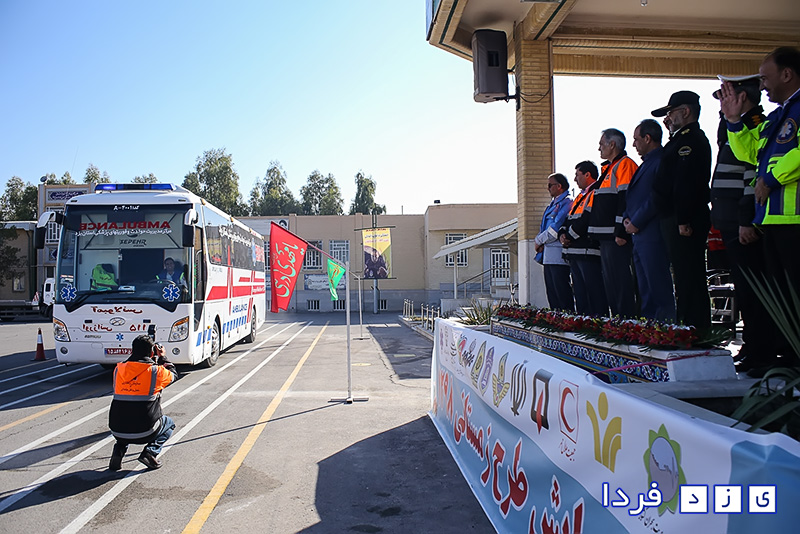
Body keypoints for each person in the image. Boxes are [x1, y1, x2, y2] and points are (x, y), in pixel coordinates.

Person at [720, 46, 800, 373]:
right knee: (783, 296)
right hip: (774, 218)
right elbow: (750, 153)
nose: (762, 85)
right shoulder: (780, 115)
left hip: (795, 219)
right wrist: (734, 120)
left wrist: (772, 178)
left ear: (787, 74)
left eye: (766, 78)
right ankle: (790, 358)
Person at [651, 91, 713, 330]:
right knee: (683, 276)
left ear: (686, 112)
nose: (667, 119)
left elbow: (686, 183)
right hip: (674, 217)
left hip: (684, 218)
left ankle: (695, 329)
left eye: (671, 113)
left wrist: (684, 219)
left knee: (690, 276)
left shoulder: (691, 141)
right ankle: (687, 326)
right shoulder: (678, 140)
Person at [623, 119, 676, 321]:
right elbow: (634, 197)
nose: (634, 144)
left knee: (657, 285)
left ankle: (664, 326)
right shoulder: (646, 163)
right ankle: (649, 327)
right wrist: (627, 219)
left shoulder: (660, 160)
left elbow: (656, 197)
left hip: (652, 232)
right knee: (645, 287)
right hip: (639, 234)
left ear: (647, 138)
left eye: (636, 139)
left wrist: (636, 221)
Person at [586, 128, 639, 317]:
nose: (599, 148)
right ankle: (617, 320)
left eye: (602, 144)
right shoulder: (609, 168)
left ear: (612, 144)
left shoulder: (625, 165)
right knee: (611, 283)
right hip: (606, 237)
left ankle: (626, 321)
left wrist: (621, 231)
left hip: (615, 236)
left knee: (620, 282)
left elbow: (625, 199)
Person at [109, 335, 178, 471]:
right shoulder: (156, 371)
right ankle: (150, 453)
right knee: (169, 424)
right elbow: (173, 374)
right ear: (152, 352)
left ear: (132, 350)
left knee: (126, 415)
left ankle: (118, 452)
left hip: (116, 430)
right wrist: (163, 357)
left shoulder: (118, 370)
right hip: (145, 431)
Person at [559, 161, 609, 317]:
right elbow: (568, 219)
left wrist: (569, 236)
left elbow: (586, 219)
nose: (575, 179)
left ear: (588, 175)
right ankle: (583, 323)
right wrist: (562, 234)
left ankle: (597, 323)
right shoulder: (580, 197)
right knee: (580, 295)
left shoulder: (595, 192)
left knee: (594, 293)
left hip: (588, 252)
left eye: (577, 175)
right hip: (574, 252)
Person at [534, 173, 574, 311]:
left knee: (562, 293)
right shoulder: (552, 204)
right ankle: (555, 319)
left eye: (550, 185)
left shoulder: (567, 202)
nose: (548, 188)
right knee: (552, 295)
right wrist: (540, 242)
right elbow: (544, 227)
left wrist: (538, 241)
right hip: (547, 255)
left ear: (559, 186)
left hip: (559, 255)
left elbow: (555, 227)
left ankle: (566, 319)